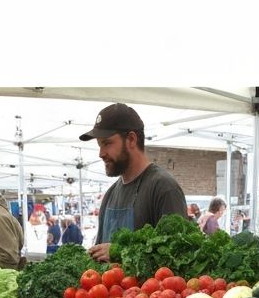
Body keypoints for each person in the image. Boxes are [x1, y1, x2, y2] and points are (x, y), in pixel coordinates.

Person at [80, 103, 187, 263]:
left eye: (107, 143)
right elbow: (100, 255)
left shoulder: (163, 188)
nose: (101, 153)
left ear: (131, 139)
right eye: (99, 145)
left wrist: (119, 251)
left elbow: (179, 255)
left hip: (148, 289)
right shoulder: (110, 194)